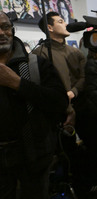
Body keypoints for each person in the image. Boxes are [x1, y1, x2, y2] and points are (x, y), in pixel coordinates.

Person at [0, 11, 68, 198]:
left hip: (33, 157)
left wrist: (17, 83)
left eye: (5, 27)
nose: (1, 33)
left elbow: (59, 102)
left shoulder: (35, 64)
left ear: (12, 30)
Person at [33, 11, 85, 131]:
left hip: (81, 105)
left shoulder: (76, 52)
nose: (66, 24)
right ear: (50, 27)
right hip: (59, 111)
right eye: (61, 22)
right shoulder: (40, 54)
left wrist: (74, 91)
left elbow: (83, 77)